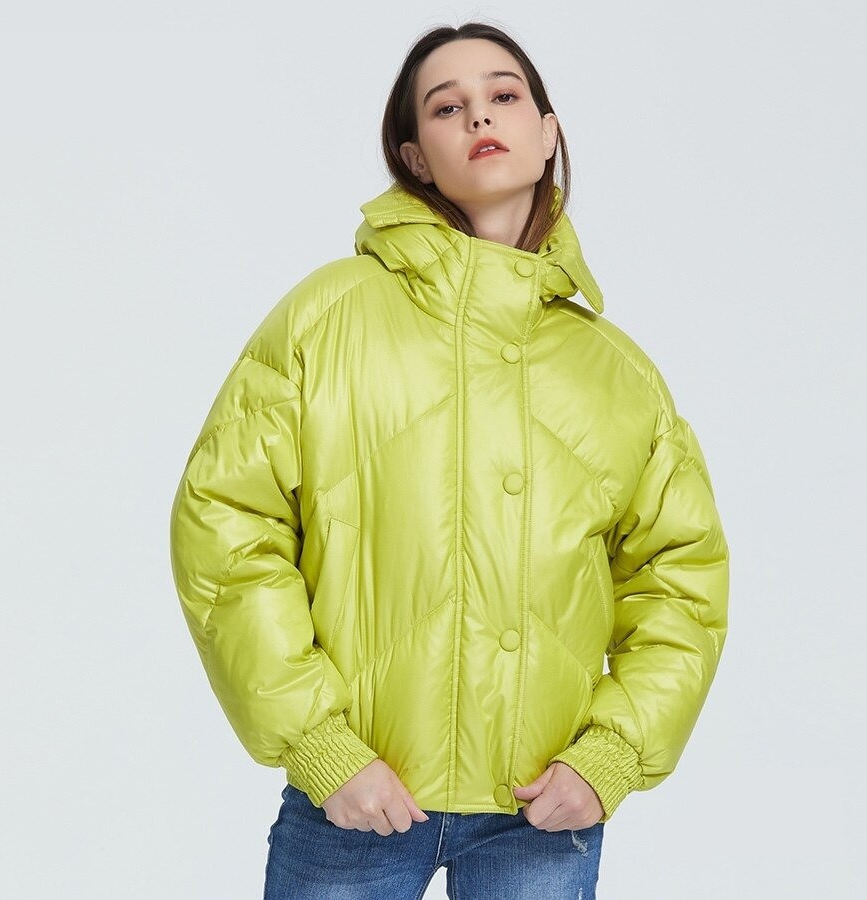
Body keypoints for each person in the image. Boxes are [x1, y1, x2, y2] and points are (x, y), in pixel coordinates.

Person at [169, 20, 730, 900]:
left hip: (541, 815)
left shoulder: (617, 373)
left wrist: (612, 755)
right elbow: (227, 527)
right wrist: (320, 743)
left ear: (548, 131)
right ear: (415, 158)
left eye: (504, 95)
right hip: (356, 805)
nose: (480, 116)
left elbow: (680, 582)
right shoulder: (328, 317)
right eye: (446, 107)